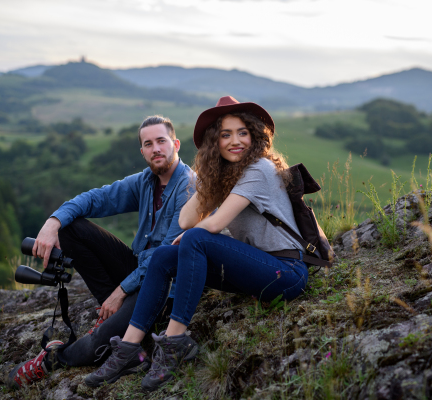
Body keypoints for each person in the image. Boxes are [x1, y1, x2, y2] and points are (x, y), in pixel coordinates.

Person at [84, 96, 309, 390]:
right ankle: (128, 350)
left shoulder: (260, 169)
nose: (235, 141)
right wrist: (209, 178)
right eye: (225, 135)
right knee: (164, 256)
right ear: (215, 141)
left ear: (254, 134)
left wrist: (191, 235)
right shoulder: (230, 176)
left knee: (197, 239)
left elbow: (209, 225)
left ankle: (175, 341)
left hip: (286, 273)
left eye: (242, 132)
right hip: (257, 270)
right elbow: (188, 219)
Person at [8, 115, 195, 389]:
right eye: (148, 144)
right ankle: (113, 313)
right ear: (142, 151)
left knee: (100, 344)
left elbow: (166, 254)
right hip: (138, 268)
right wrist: (53, 221)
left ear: (175, 144)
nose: (156, 148)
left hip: (165, 283)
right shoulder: (145, 181)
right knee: (70, 227)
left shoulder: (189, 186)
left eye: (161, 141)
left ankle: (55, 358)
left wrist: (120, 292)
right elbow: (96, 197)